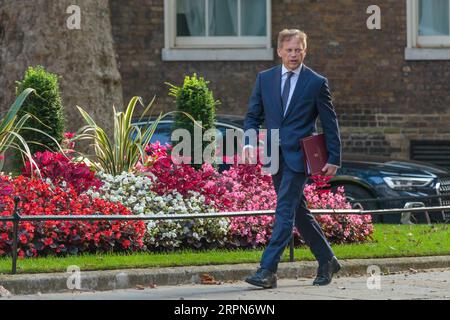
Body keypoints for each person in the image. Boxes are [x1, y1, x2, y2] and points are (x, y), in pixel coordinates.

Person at [243, 29, 342, 288]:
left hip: (300, 157)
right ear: (279, 51)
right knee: (298, 212)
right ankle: (328, 260)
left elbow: (330, 123)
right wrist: (249, 140)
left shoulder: (316, 82)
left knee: (285, 209)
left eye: (298, 50)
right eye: (289, 50)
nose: (294, 54)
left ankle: (267, 270)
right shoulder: (265, 79)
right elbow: (253, 115)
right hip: (274, 155)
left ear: (305, 51)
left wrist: (334, 156)